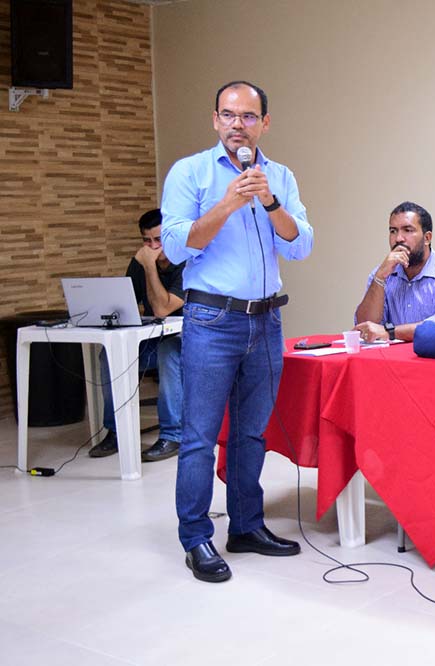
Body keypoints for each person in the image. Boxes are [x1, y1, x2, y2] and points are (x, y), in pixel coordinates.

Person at [160, 80, 314, 583]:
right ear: (215, 120)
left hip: (266, 320)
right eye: (228, 115)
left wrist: (269, 201)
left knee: (251, 433)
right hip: (212, 320)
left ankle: (246, 526)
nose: (237, 125)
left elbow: (300, 245)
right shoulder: (190, 173)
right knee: (200, 436)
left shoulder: (280, 176)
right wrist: (228, 202)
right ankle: (196, 537)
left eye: (248, 116)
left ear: (264, 123)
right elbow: (176, 247)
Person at [88, 209, 184, 463]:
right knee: (109, 355)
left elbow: (162, 308)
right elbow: (124, 304)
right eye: (146, 241)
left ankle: (173, 435)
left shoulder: (187, 264)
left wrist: (149, 266)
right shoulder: (138, 264)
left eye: (159, 240)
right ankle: (116, 431)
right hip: (154, 338)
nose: (152, 247)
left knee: (168, 350)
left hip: (191, 342)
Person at [354, 201, 435, 341]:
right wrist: (379, 277)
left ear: (427, 238)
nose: (398, 238)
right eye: (393, 231)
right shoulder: (382, 274)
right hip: (391, 354)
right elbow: (366, 327)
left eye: (408, 230)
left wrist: (390, 332)